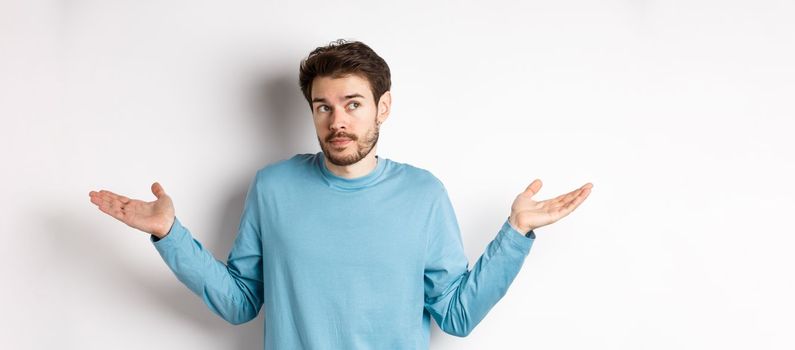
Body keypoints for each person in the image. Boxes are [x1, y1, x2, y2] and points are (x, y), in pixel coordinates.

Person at [88, 39, 593, 349]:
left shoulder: (423, 194)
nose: (338, 121)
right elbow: (241, 303)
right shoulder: (273, 187)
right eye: (323, 107)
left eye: (353, 103)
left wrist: (517, 232)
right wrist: (169, 235)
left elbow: (457, 316)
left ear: (384, 106)